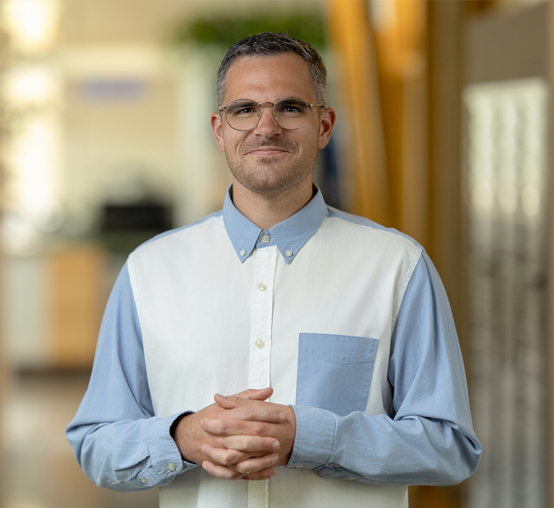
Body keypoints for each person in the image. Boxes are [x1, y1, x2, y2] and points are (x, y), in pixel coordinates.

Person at [67, 32, 481, 508]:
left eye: (289, 108)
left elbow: (450, 447)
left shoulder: (398, 266)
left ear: (324, 125)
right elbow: (95, 444)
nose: (266, 127)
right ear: (219, 129)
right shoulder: (148, 271)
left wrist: (311, 437)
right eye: (244, 110)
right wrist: (181, 438)